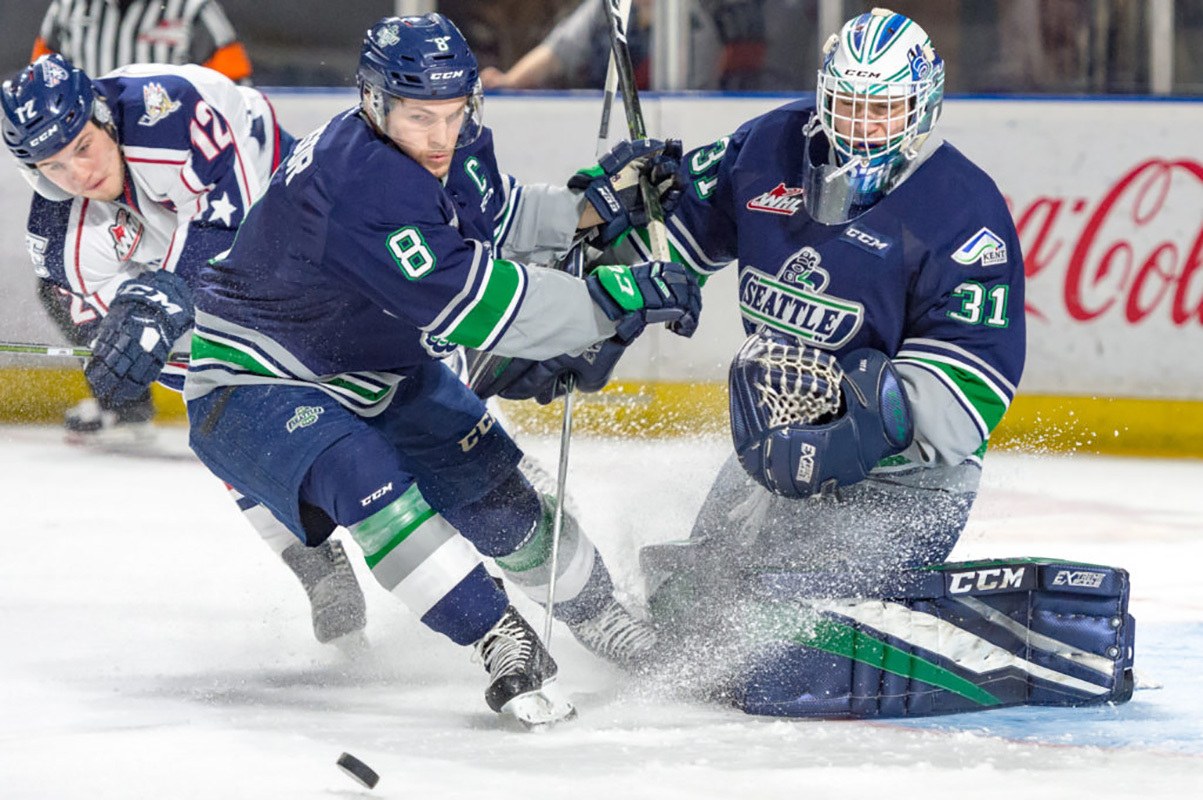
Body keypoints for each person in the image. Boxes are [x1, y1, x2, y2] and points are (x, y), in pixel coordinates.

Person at [499, 8, 1028, 713]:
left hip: (904, 483)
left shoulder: (963, 213)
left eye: (883, 110)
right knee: (691, 621)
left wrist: (855, 424)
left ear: (923, 106)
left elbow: (971, 389)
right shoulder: (769, 149)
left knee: (780, 644)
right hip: (769, 453)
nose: (860, 127)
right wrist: (588, 302)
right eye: (846, 105)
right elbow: (666, 242)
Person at [182, 13, 700, 725]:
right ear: (373, 102)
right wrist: (612, 299)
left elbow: (494, 212)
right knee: (365, 478)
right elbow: (482, 309)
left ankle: (599, 614)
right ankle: (496, 634)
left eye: (454, 114)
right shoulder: (361, 183)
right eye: (419, 116)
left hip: (377, 364)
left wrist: (589, 208)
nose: (439, 136)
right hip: (255, 378)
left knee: (499, 503)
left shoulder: (443, 140)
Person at [1, 54, 369, 651]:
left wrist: (162, 299)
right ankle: (313, 560)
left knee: (368, 361)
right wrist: (126, 348)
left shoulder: (168, 114)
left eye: (82, 146)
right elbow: (125, 324)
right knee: (217, 404)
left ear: (103, 116)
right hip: (188, 251)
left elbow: (245, 245)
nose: (75, 174)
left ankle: (474, 457)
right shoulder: (57, 233)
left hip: (291, 211)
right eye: (51, 165)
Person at [30, 0, 253, 441]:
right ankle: (121, 394)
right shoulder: (67, 9)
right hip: (94, 174)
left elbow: (236, 84)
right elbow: (39, 89)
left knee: (204, 267)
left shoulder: (192, 9)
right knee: (62, 281)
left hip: (171, 176)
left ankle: (226, 388)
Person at [481, 0, 723, 90]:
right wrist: (510, 81)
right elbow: (559, 51)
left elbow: (693, 95)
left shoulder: (688, 23)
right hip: (605, 118)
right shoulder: (604, 7)